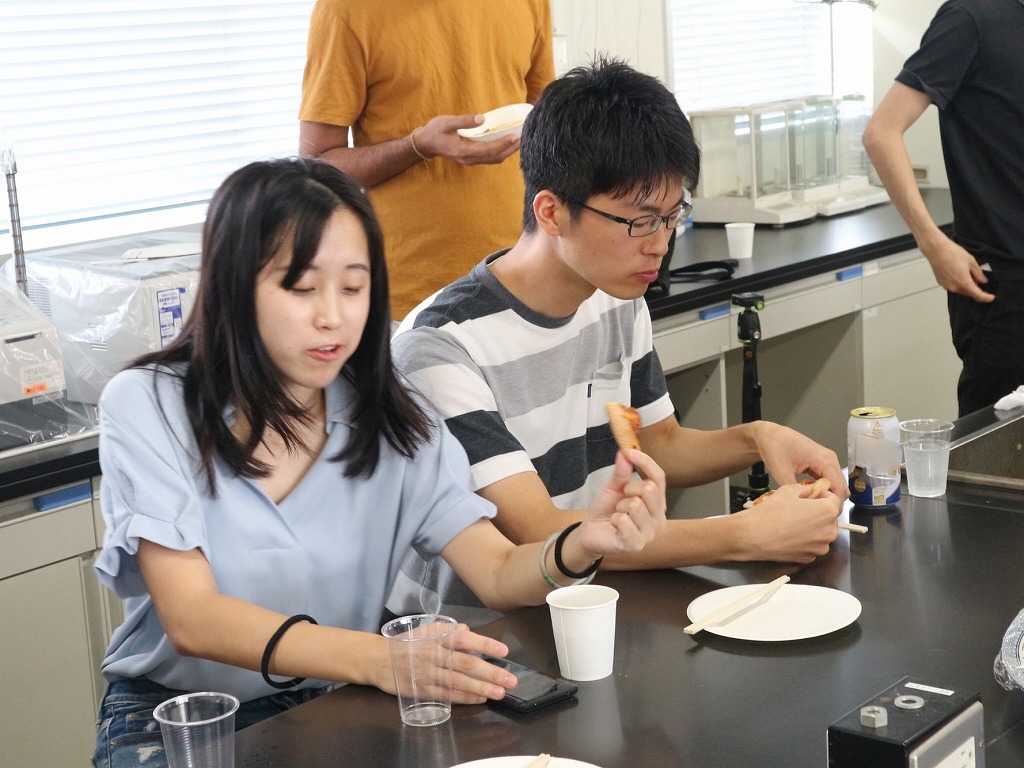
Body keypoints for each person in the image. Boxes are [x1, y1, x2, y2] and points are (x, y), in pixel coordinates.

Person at [90, 157, 666, 768]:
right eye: (301, 288)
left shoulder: (394, 420)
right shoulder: (150, 403)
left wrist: (581, 541)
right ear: (233, 287)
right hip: (179, 717)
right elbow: (193, 618)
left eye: (353, 287)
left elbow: (497, 570)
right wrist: (381, 659)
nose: (332, 316)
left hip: (333, 701)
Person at [386, 58, 848, 627]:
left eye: (673, 216)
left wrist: (759, 437)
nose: (661, 244)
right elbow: (537, 531)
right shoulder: (438, 348)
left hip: (587, 601)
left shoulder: (615, 295)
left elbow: (659, 444)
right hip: (473, 633)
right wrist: (741, 535)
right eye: (640, 221)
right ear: (551, 212)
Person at [297, 0, 555, 319]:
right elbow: (318, 165)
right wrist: (416, 146)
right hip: (411, 292)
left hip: (521, 269)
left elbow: (545, 118)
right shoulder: (344, 10)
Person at [862, 0, 1024, 416]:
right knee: (996, 445)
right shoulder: (970, 19)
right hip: (1005, 290)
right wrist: (932, 242)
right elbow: (881, 133)